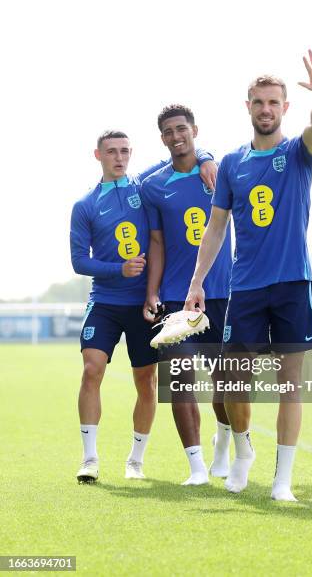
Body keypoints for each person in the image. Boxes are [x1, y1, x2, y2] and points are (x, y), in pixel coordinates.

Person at [185, 50, 312, 500]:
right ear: (247, 106)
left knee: (290, 384)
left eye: (274, 102)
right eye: (258, 102)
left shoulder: (297, 153)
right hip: (244, 287)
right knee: (232, 382)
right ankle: (242, 448)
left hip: (291, 283)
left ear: (285, 107)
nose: (266, 109)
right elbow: (215, 228)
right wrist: (196, 285)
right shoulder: (231, 164)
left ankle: (282, 480)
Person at [70, 130, 217, 483]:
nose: (118, 158)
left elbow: (181, 155)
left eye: (124, 151)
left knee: (147, 382)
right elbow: (78, 261)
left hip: (144, 304)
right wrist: (116, 269)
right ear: (97, 155)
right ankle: (89, 459)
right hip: (104, 302)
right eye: (111, 152)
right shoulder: (85, 205)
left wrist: (208, 154)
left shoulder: (144, 186)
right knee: (92, 369)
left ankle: (135, 460)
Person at [140, 105, 233, 485]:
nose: (176, 136)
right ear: (162, 138)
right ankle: (196, 468)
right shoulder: (152, 185)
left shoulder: (220, 173)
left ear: (195, 130)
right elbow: (156, 242)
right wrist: (152, 292)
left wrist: (209, 158)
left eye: (182, 129)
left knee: (225, 381)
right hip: (177, 298)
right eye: (168, 132)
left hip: (223, 292)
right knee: (179, 379)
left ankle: (223, 447)